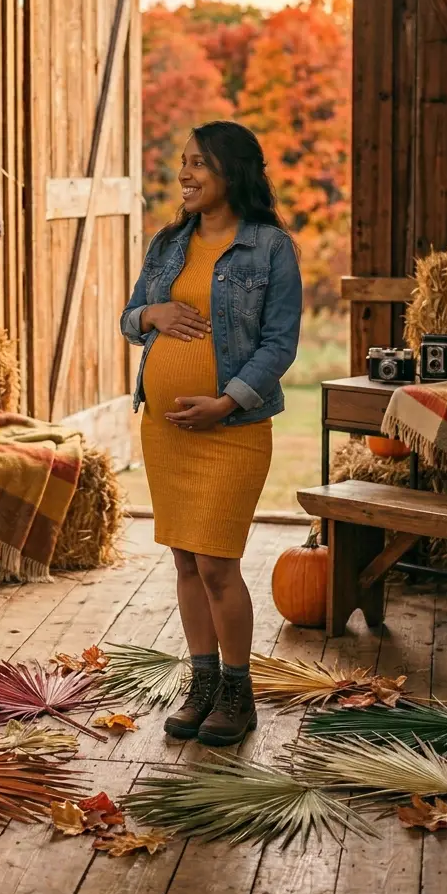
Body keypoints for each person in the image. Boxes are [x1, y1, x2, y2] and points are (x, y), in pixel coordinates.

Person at [121, 121, 302, 746]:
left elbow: (281, 344)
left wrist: (225, 403)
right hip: (166, 431)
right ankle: (200, 684)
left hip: (234, 429)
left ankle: (236, 690)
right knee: (184, 561)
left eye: (200, 163)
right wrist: (154, 312)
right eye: (183, 162)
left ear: (233, 172)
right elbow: (130, 318)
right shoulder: (169, 243)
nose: (186, 174)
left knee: (219, 565)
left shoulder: (270, 248)